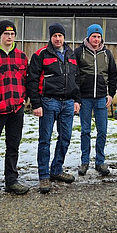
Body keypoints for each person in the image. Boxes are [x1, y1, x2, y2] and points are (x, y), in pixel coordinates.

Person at [0, 20, 30, 205]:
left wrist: (24, 98)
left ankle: (11, 180)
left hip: (16, 109)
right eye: (6, 34)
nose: (9, 37)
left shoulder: (21, 56)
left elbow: (26, 79)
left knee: (13, 147)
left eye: (12, 34)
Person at [27, 23, 81, 194]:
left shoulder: (72, 55)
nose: (58, 39)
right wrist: (36, 103)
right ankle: (44, 175)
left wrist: (77, 99)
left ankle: (56, 169)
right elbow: (32, 80)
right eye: (55, 36)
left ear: (64, 37)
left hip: (68, 103)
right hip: (49, 102)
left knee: (65, 137)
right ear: (50, 37)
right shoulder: (41, 54)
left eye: (60, 35)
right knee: (45, 140)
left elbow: (77, 78)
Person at [74, 24, 117, 176]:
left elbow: (113, 75)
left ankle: (100, 161)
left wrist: (111, 94)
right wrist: (76, 98)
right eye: (94, 36)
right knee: (85, 131)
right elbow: (74, 75)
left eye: (99, 37)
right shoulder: (79, 52)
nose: (96, 39)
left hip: (101, 98)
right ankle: (84, 161)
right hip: (85, 98)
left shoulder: (107, 54)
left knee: (102, 131)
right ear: (88, 37)